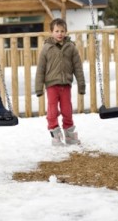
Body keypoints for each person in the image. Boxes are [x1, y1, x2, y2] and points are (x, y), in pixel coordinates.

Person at [35, 18, 86, 146]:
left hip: (66, 85)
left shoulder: (71, 47)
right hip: (52, 85)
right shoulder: (47, 48)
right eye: (57, 31)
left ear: (66, 32)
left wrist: (81, 84)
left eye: (62, 31)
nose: (60, 33)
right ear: (51, 32)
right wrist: (39, 88)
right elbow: (40, 69)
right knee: (52, 110)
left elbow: (77, 67)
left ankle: (69, 134)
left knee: (67, 110)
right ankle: (55, 134)